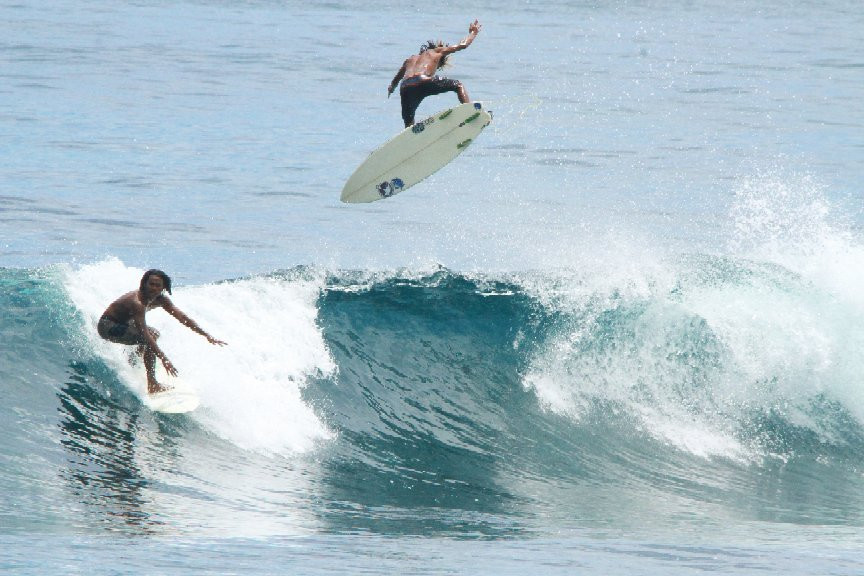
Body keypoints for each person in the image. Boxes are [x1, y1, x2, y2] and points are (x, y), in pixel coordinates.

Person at [97, 269, 226, 394]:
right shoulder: (137, 303)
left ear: (163, 288)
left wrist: (206, 335)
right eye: (151, 284)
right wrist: (164, 359)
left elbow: (183, 318)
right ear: (144, 284)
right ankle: (152, 384)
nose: (153, 288)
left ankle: (133, 359)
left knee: (154, 333)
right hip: (108, 327)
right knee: (149, 338)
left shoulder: (161, 300)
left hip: (124, 324)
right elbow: (144, 333)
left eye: (157, 285)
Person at [388, 19, 482, 127]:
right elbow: (463, 45)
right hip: (422, 80)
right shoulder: (437, 51)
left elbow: (394, 83)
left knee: (409, 122)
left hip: (405, 87)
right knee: (458, 85)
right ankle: (469, 112)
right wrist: (473, 32)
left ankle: (412, 139)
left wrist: (391, 89)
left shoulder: (410, 60)